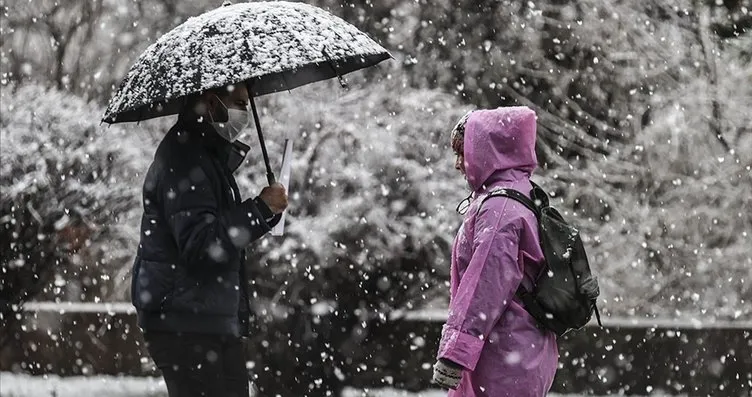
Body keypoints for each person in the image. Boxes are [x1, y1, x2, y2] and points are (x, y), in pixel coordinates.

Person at [130, 82, 288, 397]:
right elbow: (201, 245)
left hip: (202, 319)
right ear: (210, 101)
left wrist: (266, 213)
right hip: (187, 323)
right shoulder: (187, 158)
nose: (243, 112)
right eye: (239, 103)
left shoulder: (203, 155)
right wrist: (258, 211)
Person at [432, 107, 558, 396]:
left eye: (462, 153)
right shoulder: (520, 193)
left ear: (486, 151)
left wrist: (455, 352)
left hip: (503, 358)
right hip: (520, 351)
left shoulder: (500, 210)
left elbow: (484, 286)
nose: (457, 164)